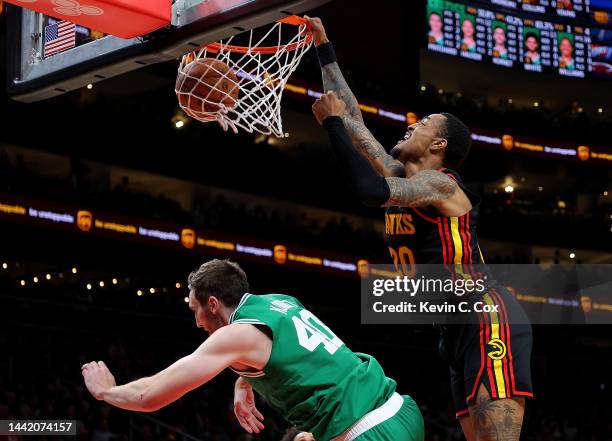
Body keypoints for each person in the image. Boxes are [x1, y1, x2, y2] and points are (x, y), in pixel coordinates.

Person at [305, 16, 533, 441]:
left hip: (486, 316)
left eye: (424, 122)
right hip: (451, 326)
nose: (411, 123)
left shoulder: (441, 185)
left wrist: (332, 126)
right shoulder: (402, 174)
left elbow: (369, 189)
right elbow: (353, 118)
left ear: (439, 144)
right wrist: (324, 48)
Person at [81, 259, 424, 441]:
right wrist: (243, 382)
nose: (196, 321)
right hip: (401, 411)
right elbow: (293, 353)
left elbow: (152, 395)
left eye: (194, 309)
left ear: (212, 304)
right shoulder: (279, 301)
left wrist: (106, 392)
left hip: (370, 431)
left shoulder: (234, 336)